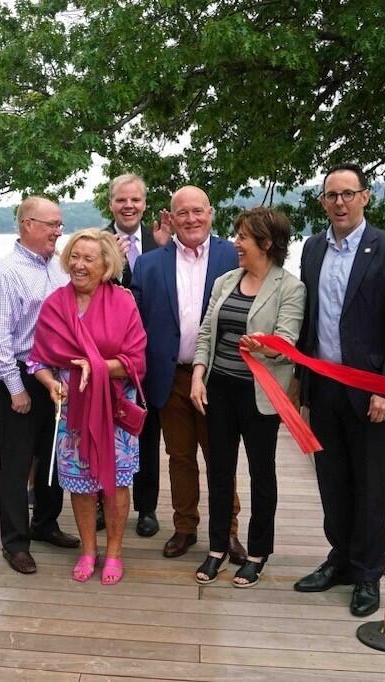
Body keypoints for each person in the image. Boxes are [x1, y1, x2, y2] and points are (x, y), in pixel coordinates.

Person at [294, 163, 385, 617]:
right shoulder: (311, 249)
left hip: (372, 395)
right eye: (332, 195)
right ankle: (341, 560)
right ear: (323, 201)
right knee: (332, 483)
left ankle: (369, 574)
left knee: (370, 486)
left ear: (365, 197)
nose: (340, 202)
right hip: (324, 389)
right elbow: (308, 320)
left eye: (349, 193)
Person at [190, 208, 306, 586]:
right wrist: (198, 375)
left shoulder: (290, 288)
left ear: (266, 243)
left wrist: (264, 346)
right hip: (219, 389)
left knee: (261, 474)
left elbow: (287, 342)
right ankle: (217, 549)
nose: (236, 243)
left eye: (243, 237)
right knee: (219, 471)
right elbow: (207, 334)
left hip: (260, 395)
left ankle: (257, 553)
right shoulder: (225, 281)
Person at [131, 185, 245, 562]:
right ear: (171, 217)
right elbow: (135, 323)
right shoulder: (148, 264)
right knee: (179, 457)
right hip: (170, 377)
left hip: (221, 376)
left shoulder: (236, 255)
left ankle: (227, 532)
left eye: (198, 211)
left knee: (221, 457)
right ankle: (185, 527)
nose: (192, 219)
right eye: (183, 213)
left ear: (211, 213)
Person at [30, 229, 147, 585]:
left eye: (88, 259)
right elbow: (37, 359)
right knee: (79, 485)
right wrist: (51, 383)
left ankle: (113, 551)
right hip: (73, 411)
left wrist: (95, 367)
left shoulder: (124, 302)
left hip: (114, 407)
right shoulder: (54, 303)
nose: (79, 265)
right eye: (74, 257)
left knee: (114, 484)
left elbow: (136, 360)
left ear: (106, 264)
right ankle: (88, 549)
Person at [0, 196, 80, 574]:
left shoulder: (59, 269)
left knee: (52, 455)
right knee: (17, 462)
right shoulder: (5, 274)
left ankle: (45, 523)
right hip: (18, 379)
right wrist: (15, 389)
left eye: (60, 223)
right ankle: (15, 542)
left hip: (54, 378)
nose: (58, 231)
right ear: (27, 225)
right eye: (52, 224)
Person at [102, 173, 169, 537]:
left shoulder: (161, 242)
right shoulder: (98, 241)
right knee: (105, 429)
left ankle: (146, 508)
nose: (129, 206)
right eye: (121, 200)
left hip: (149, 355)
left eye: (136, 200)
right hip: (109, 356)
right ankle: (102, 502)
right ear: (111, 203)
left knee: (146, 429)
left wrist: (161, 251)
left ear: (144, 203)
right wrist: (112, 261)